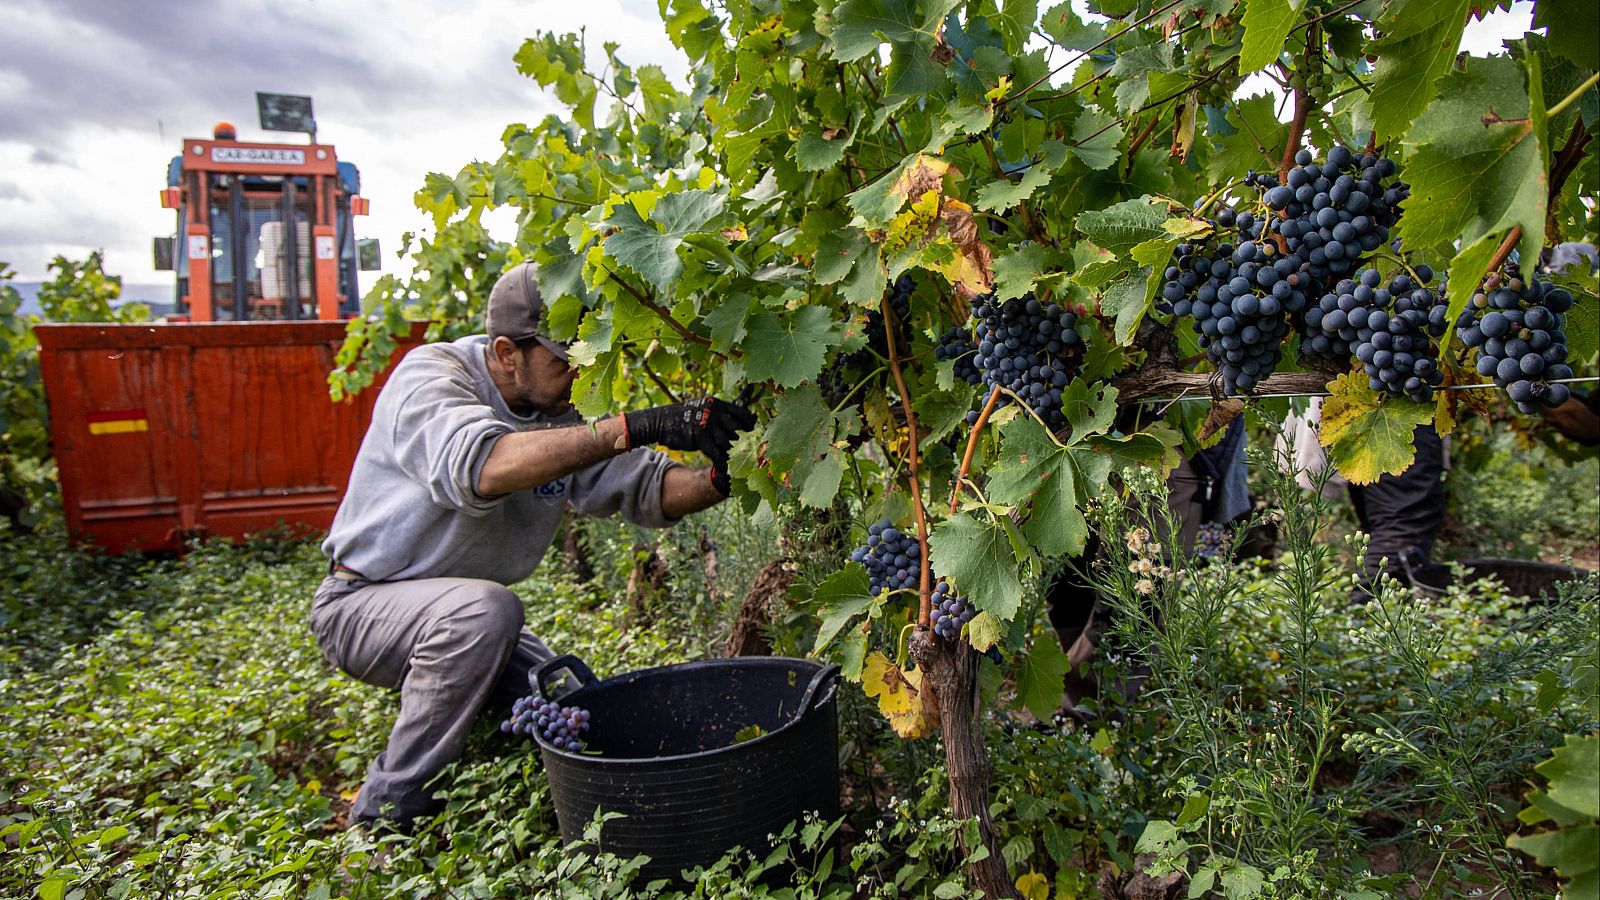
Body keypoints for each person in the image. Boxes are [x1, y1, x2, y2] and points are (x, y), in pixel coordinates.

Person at [309, 261, 755, 830]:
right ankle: (383, 816)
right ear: (505, 352)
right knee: (487, 613)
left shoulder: (559, 412)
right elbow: (484, 467)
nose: (579, 370)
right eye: (563, 358)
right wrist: (636, 424)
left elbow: (644, 488)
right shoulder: (430, 378)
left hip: (457, 618)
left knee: (574, 703)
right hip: (361, 604)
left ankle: (531, 803)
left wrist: (726, 477)